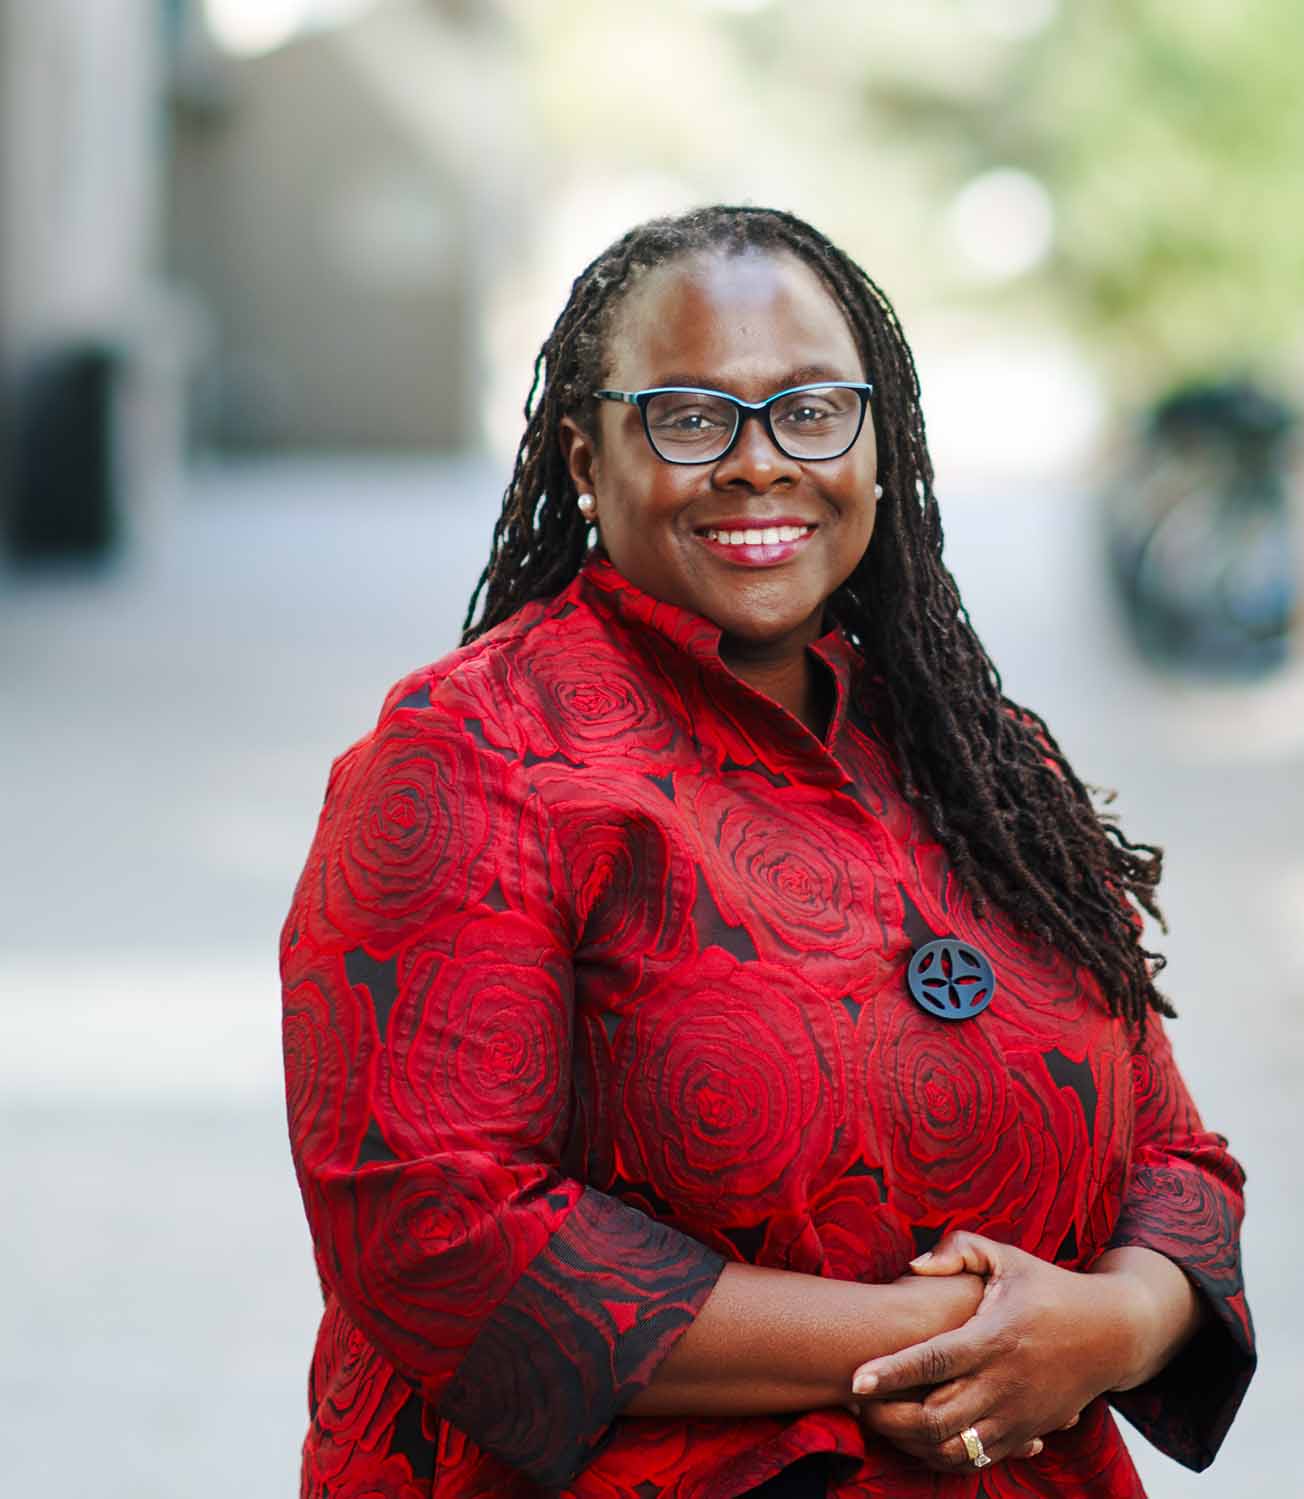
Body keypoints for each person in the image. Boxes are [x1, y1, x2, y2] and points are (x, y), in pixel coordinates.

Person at [280, 205, 1254, 1499]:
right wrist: (964, 1340)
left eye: (810, 411)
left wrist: (1115, 1327)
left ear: (876, 440)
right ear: (585, 456)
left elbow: (1176, 1162)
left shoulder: (982, 759)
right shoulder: (470, 759)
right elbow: (434, 1232)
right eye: (690, 417)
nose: (758, 463)